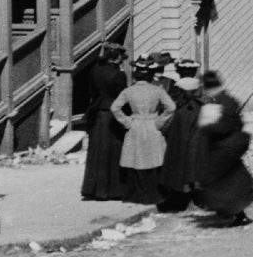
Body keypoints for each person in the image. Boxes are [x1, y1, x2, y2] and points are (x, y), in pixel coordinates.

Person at [110, 58, 176, 206]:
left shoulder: (128, 91)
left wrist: (127, 122)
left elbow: (114, 108)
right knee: (153, 159)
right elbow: (171, 107)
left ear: (135, 75)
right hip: (153, 125)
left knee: (137, 159)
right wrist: (159, 121)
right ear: (150, 75)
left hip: (135, 126)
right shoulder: (158, 90)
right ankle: (154, 193)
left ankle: (136, 194)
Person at [196, 71, 253, 227]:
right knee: (230, 180)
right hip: (232, 147)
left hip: (223, 148)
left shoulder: (216, 104)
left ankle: (234, 213)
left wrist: (207, 127)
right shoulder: (229, 100)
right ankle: (232, 211)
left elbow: (222, 127)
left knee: (219, 181)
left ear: (208, 87)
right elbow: (238, 123)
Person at [81, 45, 130, 201]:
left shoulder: (95, 70)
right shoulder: (118, 75)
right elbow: (122, 99)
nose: (122, 62)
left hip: (97, 114)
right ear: (116, 58)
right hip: (112, 115)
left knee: (97, 152)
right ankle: (113, 190)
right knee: (114, 151)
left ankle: (93, 189)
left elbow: (91, 92)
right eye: (121, 59)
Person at [159, 58, 206, 212]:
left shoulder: (173, 90)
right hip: (198, 127)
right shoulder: (202, 90)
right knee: (197, 156)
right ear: (194, 72)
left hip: (177, 128)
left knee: (178, 157)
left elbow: (167, 111)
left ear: (179, 72)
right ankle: (198, 194)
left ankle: (179, 195)